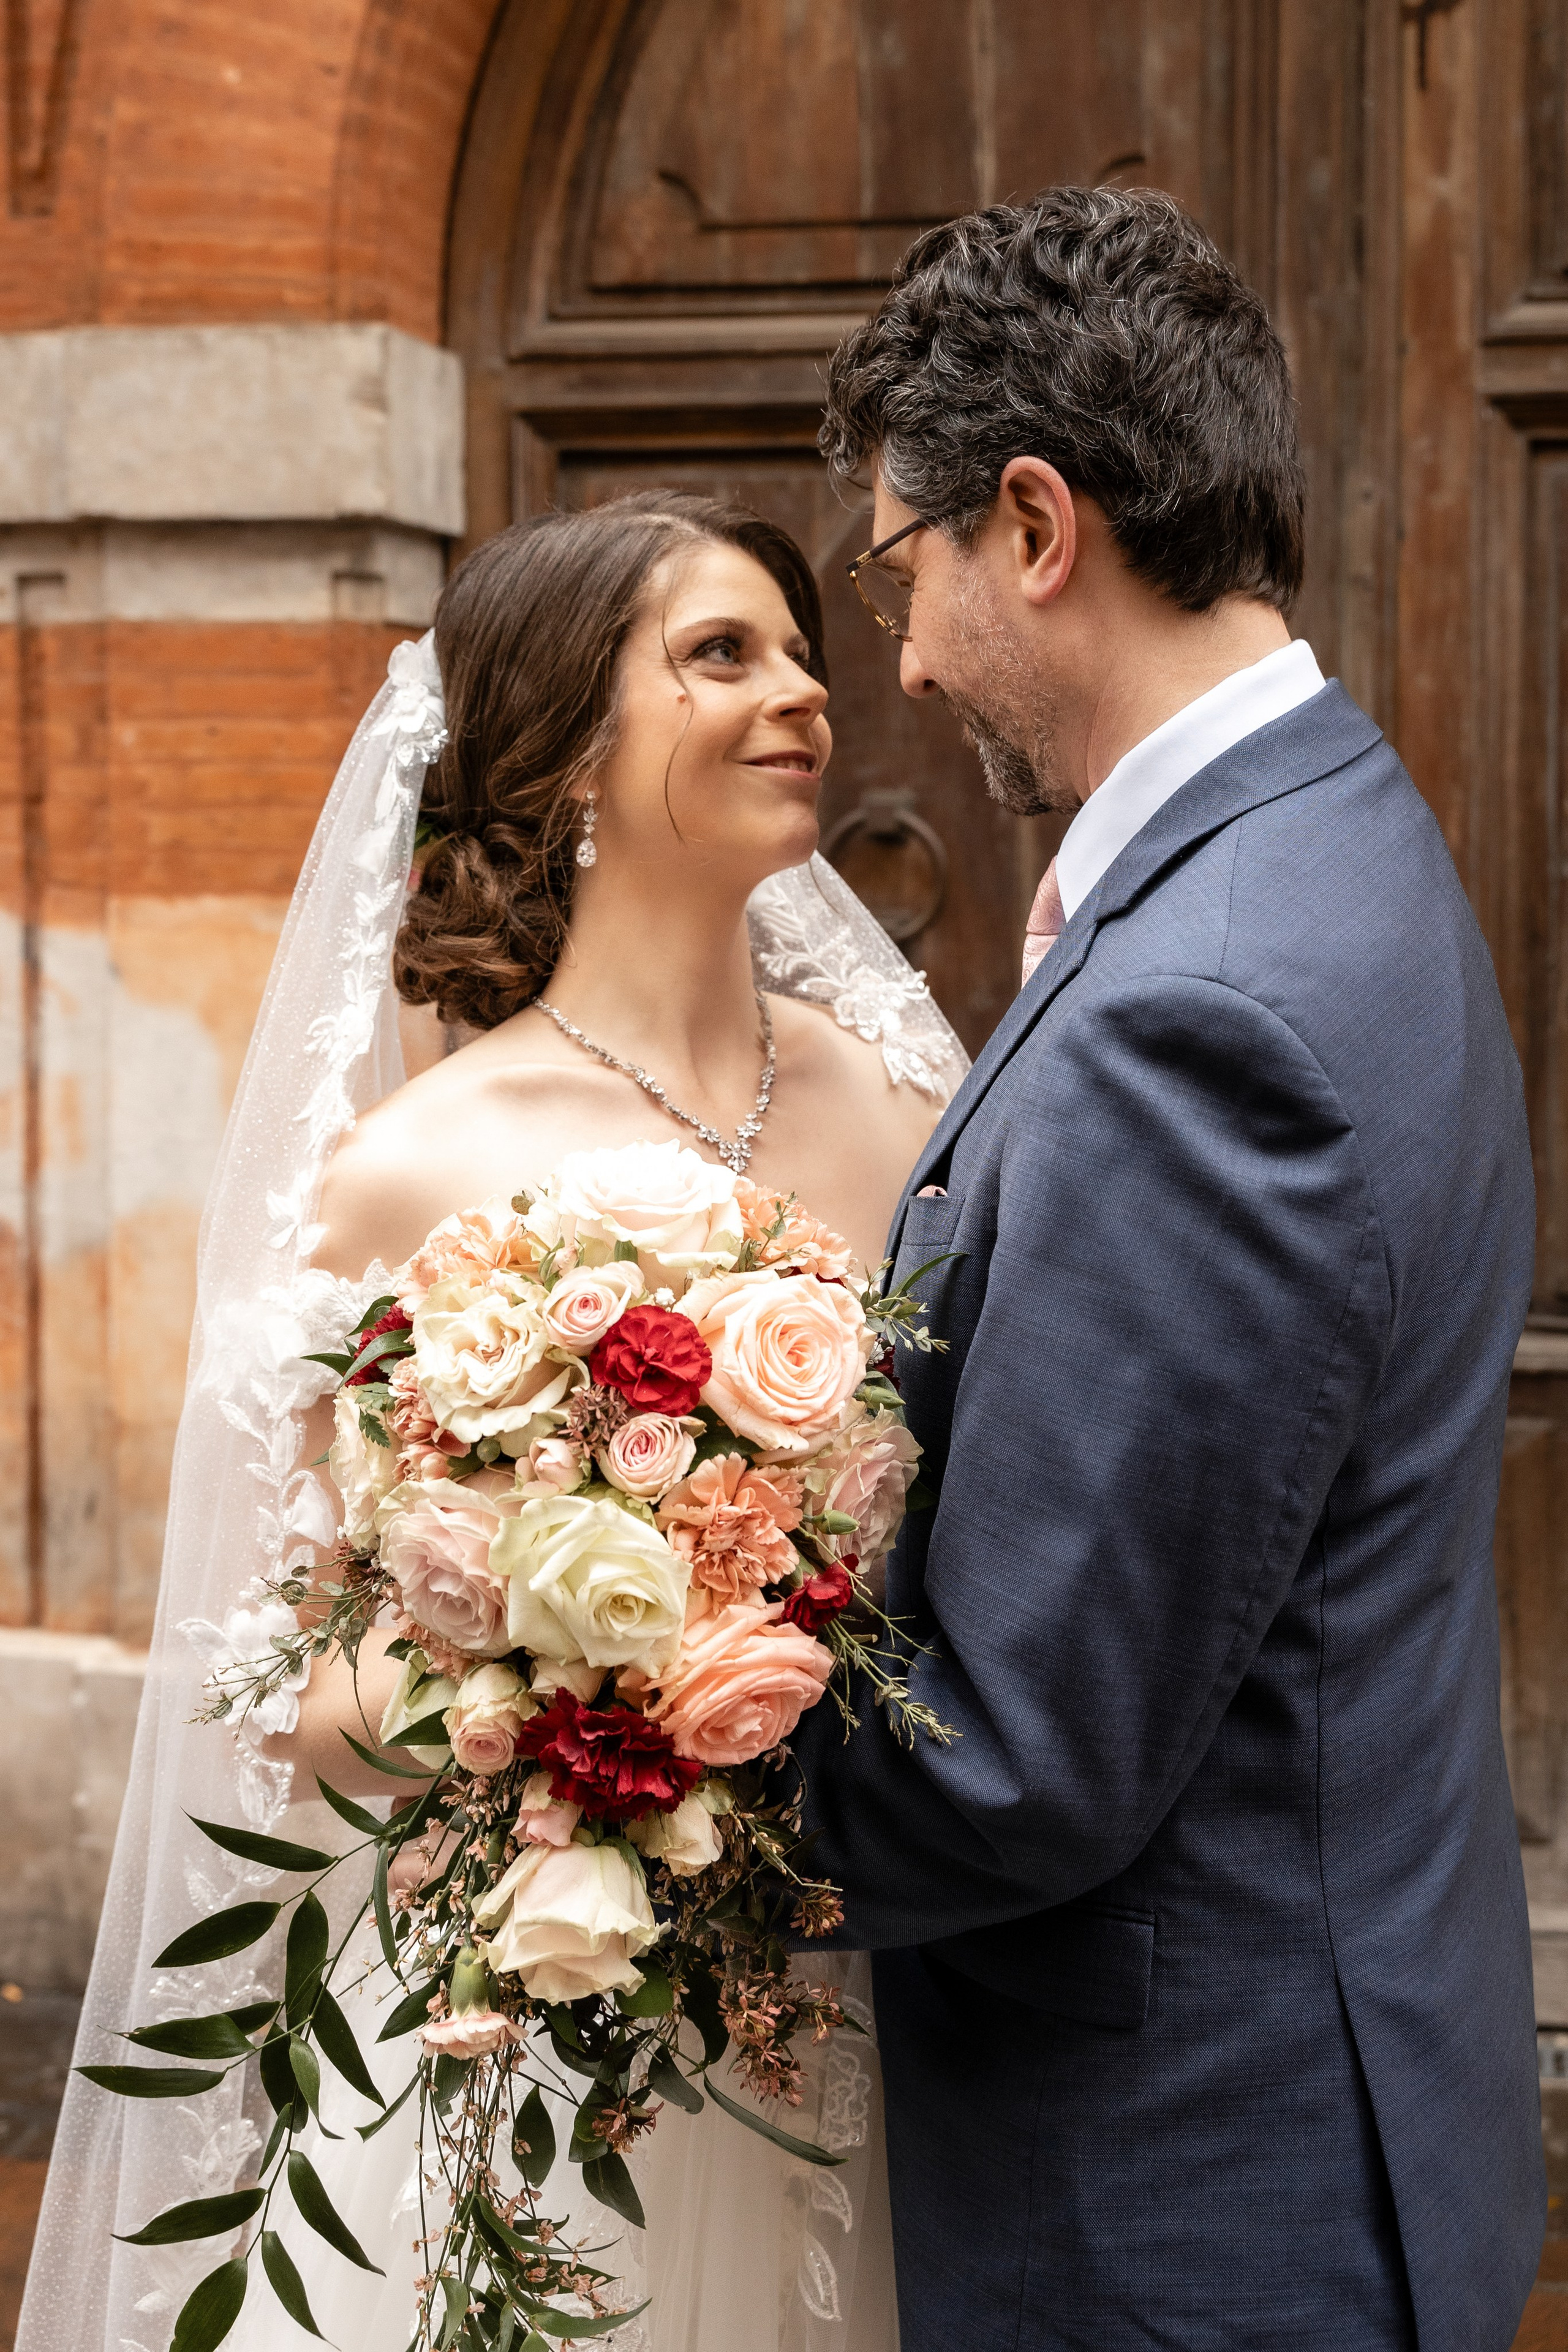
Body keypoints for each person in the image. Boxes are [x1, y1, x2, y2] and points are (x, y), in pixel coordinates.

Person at [19, 489, 966, 2352]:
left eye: (801, 653)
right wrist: (577, 1682)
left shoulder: (907, 1107)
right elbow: (291, 1705)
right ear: (565, 752)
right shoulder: (403, 1176)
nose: (802, 695)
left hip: (859, 2018)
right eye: (722, 654)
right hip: (524, 2021)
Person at [792, 184, 1545, 2351]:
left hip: (1190, 2207)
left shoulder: (1203, 1010)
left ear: (1038, 524)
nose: (907, 658)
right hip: (1319, 2087)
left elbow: (1020, 1751)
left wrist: (597, 1754)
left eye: (900, 570)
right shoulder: (1342, 832)